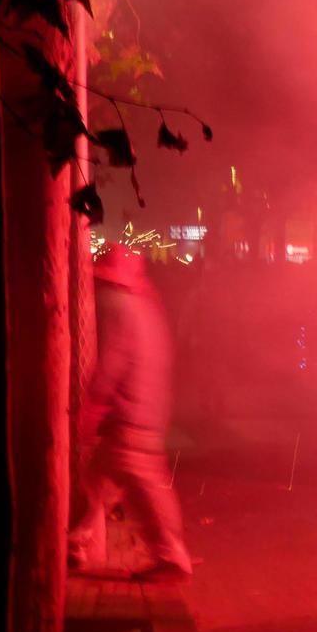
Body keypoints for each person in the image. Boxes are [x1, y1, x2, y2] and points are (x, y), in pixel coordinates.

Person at [68, 244, 193, 582]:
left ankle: (171, 557)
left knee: (135, 487)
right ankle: (78, 545)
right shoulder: (147, 307)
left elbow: (111, 365)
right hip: (146, 413)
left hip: (128, 417)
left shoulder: (120, 308)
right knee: (103, 481)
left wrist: (92, 409)